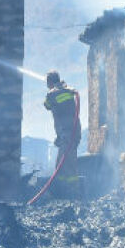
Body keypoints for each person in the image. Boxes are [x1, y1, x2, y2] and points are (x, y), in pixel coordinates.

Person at [43, 70, 82, 199]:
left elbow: (47, 105)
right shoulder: (68, 91)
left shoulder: (52, 94)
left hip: (67, 134)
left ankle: (73, 194)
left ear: (50, 81)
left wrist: (52, 92)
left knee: (68, 164)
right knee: (61, 163)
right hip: (73, 132)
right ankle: (63, 192)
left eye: (47, 82)